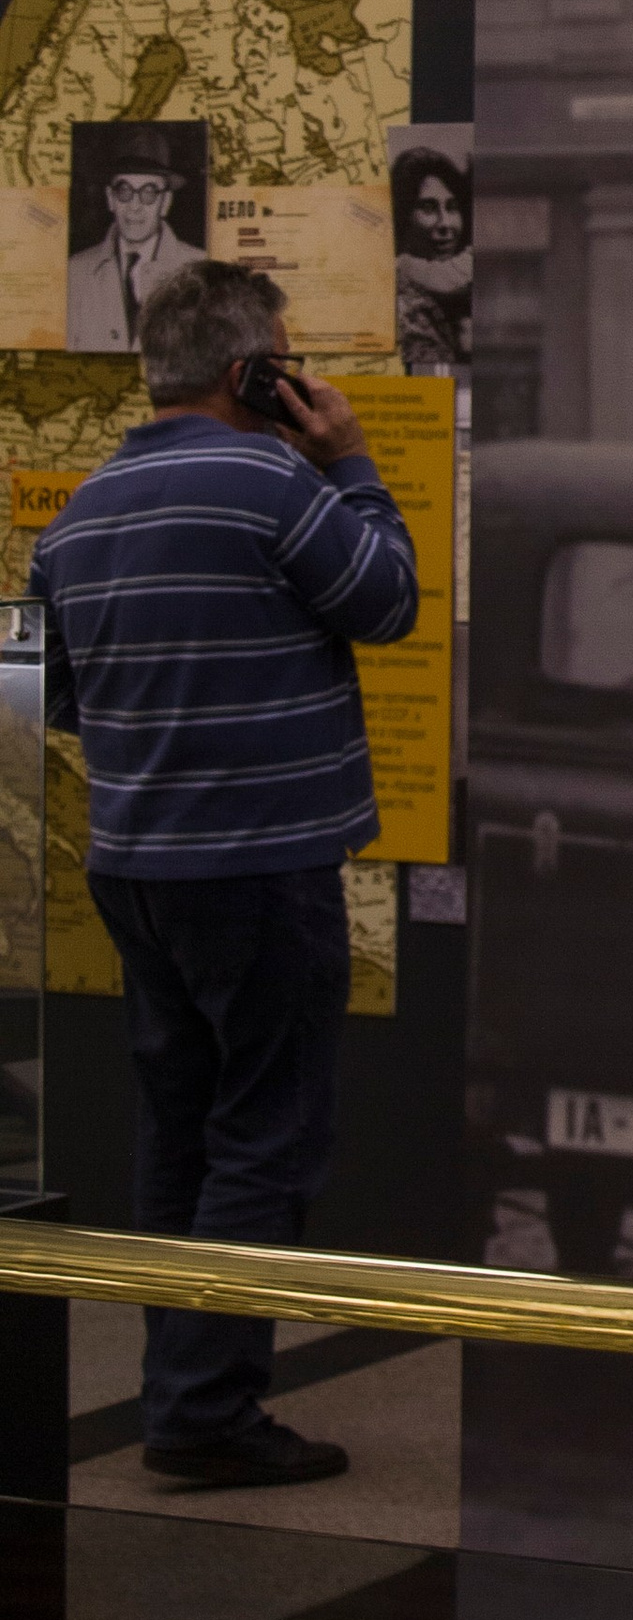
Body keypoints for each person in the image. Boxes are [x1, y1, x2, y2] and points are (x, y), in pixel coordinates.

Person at [28, 258, 419, 1489]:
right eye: (287, 364)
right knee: (266, 1136)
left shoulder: (79, 513)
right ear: (255, 373)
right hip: (259, 866)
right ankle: (206, 1415)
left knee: (180, 1137)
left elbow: (61, 700)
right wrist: (351, 461)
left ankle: (177, 1395)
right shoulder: (272, 481)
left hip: (137, 869)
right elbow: (389, 602)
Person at [63, 127, 199, 350]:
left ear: (165, 202)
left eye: (149, 192)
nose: (134, 206)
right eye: (124, 191)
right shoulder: (75, 273)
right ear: (110, 198)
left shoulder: (199, 270)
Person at [391, 141, 473, 374]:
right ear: (402, 216)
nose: (445, 223)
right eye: (428, 208)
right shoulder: (403, 307)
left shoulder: (455, 295)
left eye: (453, 207)